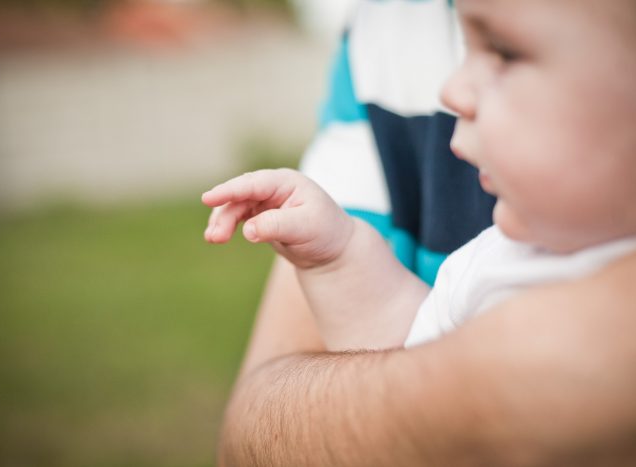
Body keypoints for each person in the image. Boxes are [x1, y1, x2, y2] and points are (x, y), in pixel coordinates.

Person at [206, 0, 636, 465]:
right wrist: (339, 259)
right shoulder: (488, 264)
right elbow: (402, 348)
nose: (451, 91)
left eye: (505, 52)